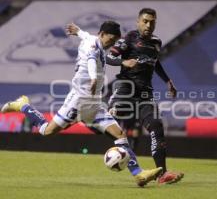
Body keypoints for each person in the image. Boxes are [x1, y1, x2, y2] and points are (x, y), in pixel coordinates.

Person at [1, 21, 162, 187]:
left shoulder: (91, 39)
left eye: (115, 41)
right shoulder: (93, 46)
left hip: (94, 105)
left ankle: (139, 174)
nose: (112, 44)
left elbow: (85, 35)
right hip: (78, 102)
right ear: (102, 34)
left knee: (120, 135)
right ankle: (23, 105)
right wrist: (93, 77)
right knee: (46, 131)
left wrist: (78, 31)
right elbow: (92, 59)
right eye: (111, 39)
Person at [69, 8, 184, 184]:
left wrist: (168, 80)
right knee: (108, 122)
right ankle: (85, 120)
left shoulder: (156, 42)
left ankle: (162, 174)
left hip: (145, 93)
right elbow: (107, 57)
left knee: (156, 126)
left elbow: (155, 62)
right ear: (138, 22)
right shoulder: (129, 38)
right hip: (125, 90)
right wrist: (124, 61)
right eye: (145, 21)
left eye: (152, 22)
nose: (148, 25)